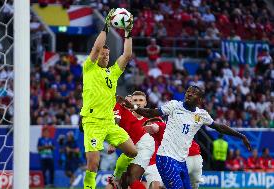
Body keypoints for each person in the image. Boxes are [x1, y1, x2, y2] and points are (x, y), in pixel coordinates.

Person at [117, 85, 252, 189]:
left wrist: (241, 136)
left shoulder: (201, 115)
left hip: (182, 161)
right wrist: (133, 107)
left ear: (199, 100)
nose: (189, 94)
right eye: (188, 91)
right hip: (166, 158)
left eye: (194, 93)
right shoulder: (174, 106)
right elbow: (151, 112)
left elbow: (219, 127)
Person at [80, 8, 137, 189]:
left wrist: (128, 31)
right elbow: (97, 48)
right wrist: (106, 25)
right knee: (93, 164)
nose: (105, 56)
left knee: (132, 152)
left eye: (107, 54)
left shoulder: (112, 73)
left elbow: (127, 55)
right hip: (93, 122)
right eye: (103, 54)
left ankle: (115, 176)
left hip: (109, 122)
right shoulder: (89, 68)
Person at [107, 91, 155, 189]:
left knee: (132, 178)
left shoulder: (115, 104)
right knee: (124, 180)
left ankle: (116, 178)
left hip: (143, 143)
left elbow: (116, 122)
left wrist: (113, 143)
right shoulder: (103, 109)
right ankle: (116, 178)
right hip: (132, 146)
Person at [144, 118, 204, 189]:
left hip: (184, 159)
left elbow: (154, 127)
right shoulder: (175, 127)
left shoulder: (160, 125)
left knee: (162, 185)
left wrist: (140, 128)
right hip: (197, 158)